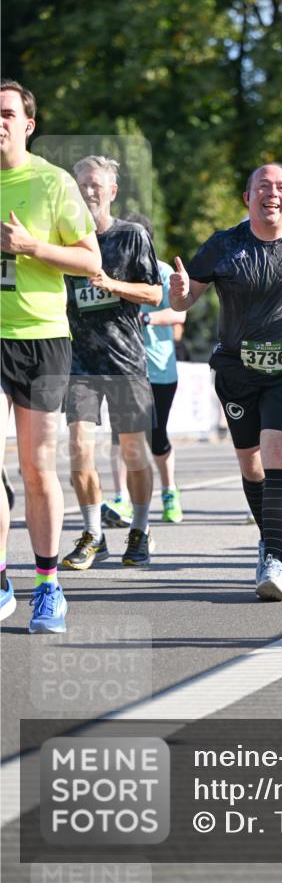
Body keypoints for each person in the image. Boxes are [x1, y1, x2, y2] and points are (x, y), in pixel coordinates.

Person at [169, 163, 282, 602]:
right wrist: (178, 291)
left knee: (279, 453)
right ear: (247, 197)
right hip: (237, 370)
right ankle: (271, 534)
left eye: (280, 188)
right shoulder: (223, 245)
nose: (271, 193)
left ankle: (274, 558)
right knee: (251, 465)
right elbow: (184, 301)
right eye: (262, 186)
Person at [0, 79, 101, 630]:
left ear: (27, 124)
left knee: (37, 470)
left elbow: (91, 261)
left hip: (41, 338)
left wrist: (30, 248)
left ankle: (47, 586)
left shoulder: (52, 182)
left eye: (7, 113)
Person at [61, 157, 162, 571]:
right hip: (79, 364)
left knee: (135, 452)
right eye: (82, 183)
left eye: (96, 184)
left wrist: (113, 284)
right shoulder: (63, 240)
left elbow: (155, 295)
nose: (88, 191)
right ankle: (93, 534)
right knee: (79, 450)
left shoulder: (131, 235)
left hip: (126, 362)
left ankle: (139, 528)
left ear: (112, 191)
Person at [128, 212, 186, 523]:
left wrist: (146, 317)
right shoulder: (118, 274)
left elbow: (180, 316)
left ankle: (169, 491)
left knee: (156, 435)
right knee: (127, 436)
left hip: (160, 368)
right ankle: (125, 499)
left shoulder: (162, 272)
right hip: (127, 366)